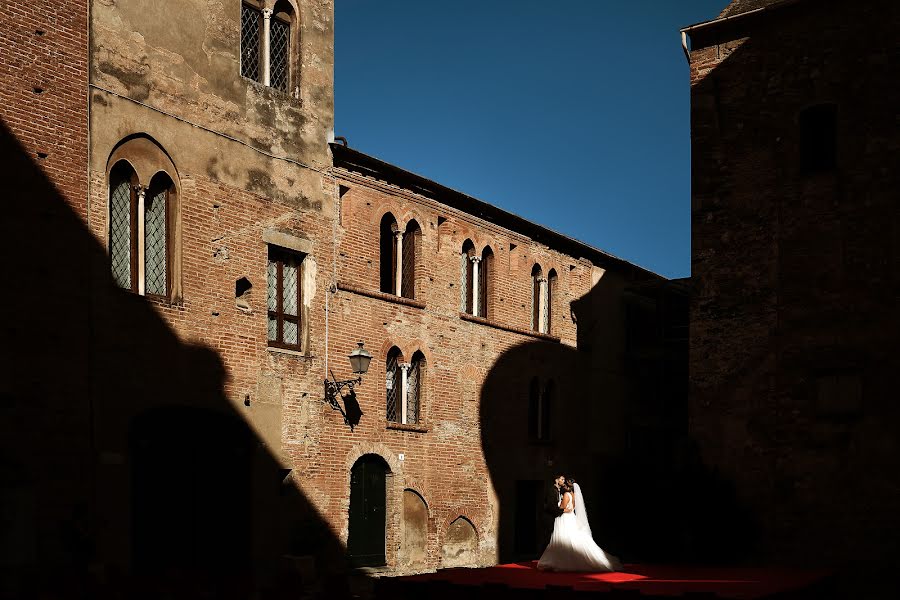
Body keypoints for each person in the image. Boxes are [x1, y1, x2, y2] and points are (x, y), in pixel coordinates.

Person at [537, 477, 621, 572]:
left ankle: (563, 562)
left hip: (565, 518)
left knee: (564, 539)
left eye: (565, 482)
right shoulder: (573, 495)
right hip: (571, 517)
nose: (564, 483)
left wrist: (559, 507)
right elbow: (571, 507)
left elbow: (563, 507)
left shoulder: (566, 494)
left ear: (568, 486)